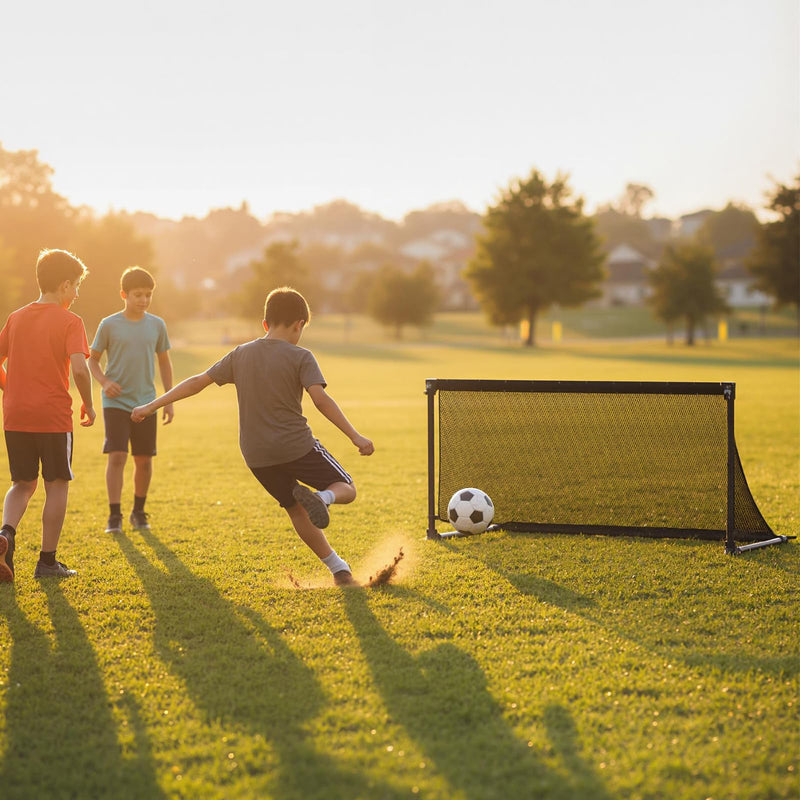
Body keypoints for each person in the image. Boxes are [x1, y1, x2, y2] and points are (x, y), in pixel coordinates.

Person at [131, 287, 373, 586]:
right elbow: (321, 400)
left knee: (294, 508)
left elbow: (197, 382)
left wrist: (151, 406)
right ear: (299, 324)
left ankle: (339, 570)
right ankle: (323, 498)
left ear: (265, 323)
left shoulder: (240, 354)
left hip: (257, 455)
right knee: (347, 488)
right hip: (295, 446)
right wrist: (355, 436)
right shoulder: (301, 356)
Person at [0, 249, 95, 581]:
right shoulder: (71, 321)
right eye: (77, 286)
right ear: (65, 285)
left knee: (22, 483)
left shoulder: (16, 317)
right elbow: (80, 369)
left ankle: (5, 534)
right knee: (56, 484)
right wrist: (89, 404)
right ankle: (47, 563)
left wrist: (10, 388)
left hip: (15, 415)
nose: (77, 294)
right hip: (52, 416)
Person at [88, 267, 173, 534]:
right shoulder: (109, 324)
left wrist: (168, 400)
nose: (144, 300)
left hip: (146, 402)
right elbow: (92, 360)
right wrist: (105, 382)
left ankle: (138, 511)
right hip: (115, 402)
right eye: (138, 295)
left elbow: (164, 362)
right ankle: (114, 515)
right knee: (117, 456)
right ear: (124, 294)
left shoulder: (157, 325)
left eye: (148, 295)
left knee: (144, 460)